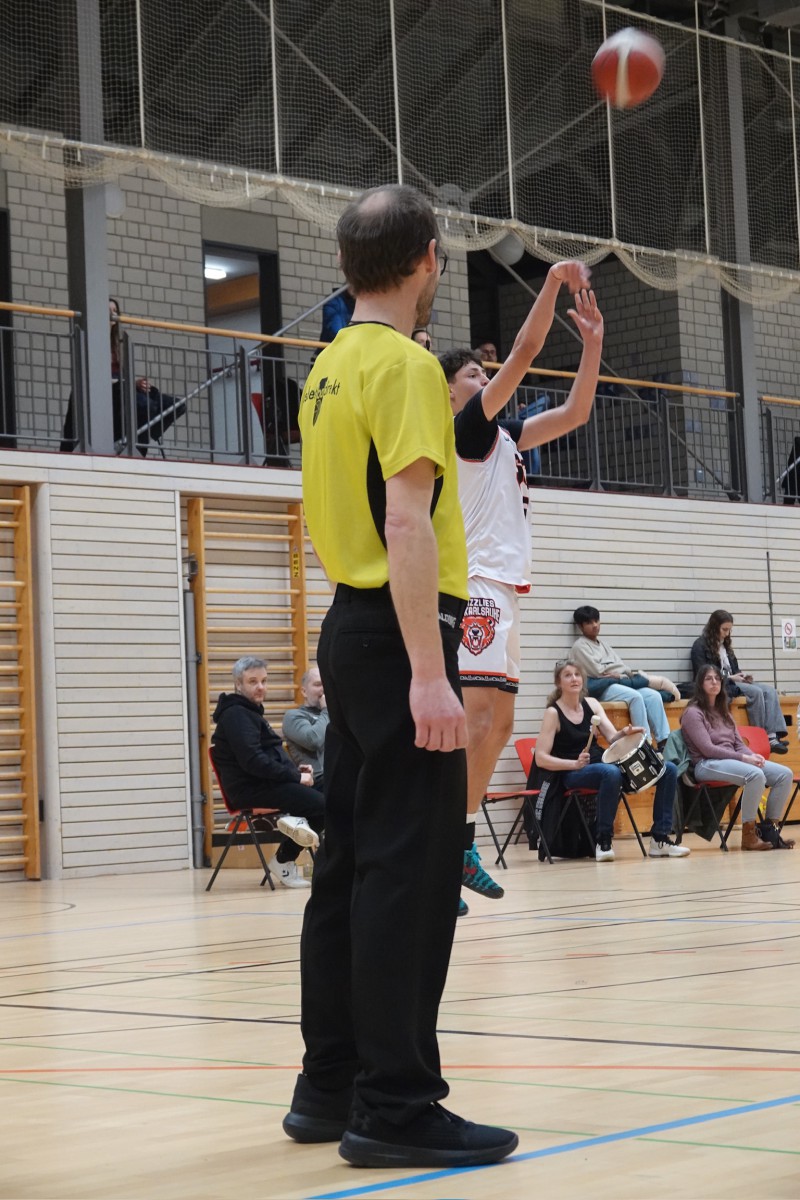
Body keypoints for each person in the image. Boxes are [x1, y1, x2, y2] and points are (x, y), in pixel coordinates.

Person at [285, 183, 517, 1169]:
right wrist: (430, 671)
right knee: (409, 875)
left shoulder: (328, 366)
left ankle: (328, 1085)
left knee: (345, 865)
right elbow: (407, 518)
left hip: (351, 624)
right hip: (401, 631)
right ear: (428, 259)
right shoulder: (410, 365)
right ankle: (396, 1104)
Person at [438, 269, 603, 904]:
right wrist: (555, 280)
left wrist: (592, 344)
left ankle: (458, 842)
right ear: (450, 392)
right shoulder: (467, 428)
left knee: (501, 724)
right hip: (477, 583)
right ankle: (442, 844)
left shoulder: (505, 434)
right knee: (479, 717)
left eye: (485, 372)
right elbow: (526, 350)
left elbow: (577, 412)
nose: (484, 377)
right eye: (472, 373)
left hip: (505, 589)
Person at [533, 659, 687, 861]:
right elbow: (541, 758)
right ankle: (603, 841)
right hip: (572, 772)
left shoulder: (592, 704)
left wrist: (625, 732)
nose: (574, 679)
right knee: (611, 772)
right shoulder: (553, 713)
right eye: (568, 675)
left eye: (577, 674)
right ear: (558, 682)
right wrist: (574, 764)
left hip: (601, 765)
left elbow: (612, 737)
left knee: (667, 769)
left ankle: (660, 838)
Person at [211, 656, 325, 889]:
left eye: (264, 681)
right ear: (238, 684)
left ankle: (295, 823)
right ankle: (284, 858)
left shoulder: (249, 712)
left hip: (265, 783)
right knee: (322, 806)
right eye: (253, 681)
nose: (261, 687)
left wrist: (294, 770)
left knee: (330, 793)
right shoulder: (236, 715)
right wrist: (295, 777)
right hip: (250, 790)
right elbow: (253, 762)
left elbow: (267, 756)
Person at [681, 664, 794, 851]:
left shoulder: (724, 711)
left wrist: (752, 755)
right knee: (754, 775)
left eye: (717, 678)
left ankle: (770, 832)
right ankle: (748, 836)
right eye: (708, 679)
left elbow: (738, 743)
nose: (714, 682)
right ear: (700, 684)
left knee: (784, 774)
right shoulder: (693, 713)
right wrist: (744, 758)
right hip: (706, 764)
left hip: (731, 761)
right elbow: (708, 749)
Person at [570, 605, 679, 749]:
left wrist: (617, 672)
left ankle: (664, 741)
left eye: (596, 621)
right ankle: (644, 743)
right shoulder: (579, 646)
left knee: (653, 695)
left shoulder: (603, 645)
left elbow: (623, 667)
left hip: (616, 683)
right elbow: (598, 671)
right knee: (635, 696)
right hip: (599, 687)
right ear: (580, 626)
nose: (595, 625)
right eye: (589, 622)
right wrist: (617, 671)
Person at [690, 610, 789, 754]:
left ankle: (772, 736)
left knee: (770, 691)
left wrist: (742, 677)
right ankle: (760, 735)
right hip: (725, 683)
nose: (726, 633)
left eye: (729, 630)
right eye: (724, 629)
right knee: (756, 692)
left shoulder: (725, 646)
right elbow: (703, 672)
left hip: (734, 681)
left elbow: (734, 668)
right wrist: (730, 677)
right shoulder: (700, 645)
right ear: (714, 627)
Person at [282, 665, 328, 788]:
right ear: (304, 691)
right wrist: (326, 710)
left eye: (326, 684)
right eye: (318, 684)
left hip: (341, 775)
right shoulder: (293, 716)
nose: (324, 689)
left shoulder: (333, 715)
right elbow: (313, 740)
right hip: (318, 780)